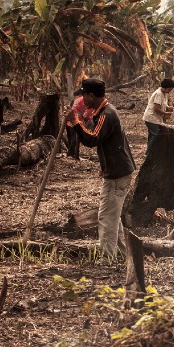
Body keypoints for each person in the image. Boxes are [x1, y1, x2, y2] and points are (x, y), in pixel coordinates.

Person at [66, 78, 136, 259]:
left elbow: (92, 139)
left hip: (117, 174)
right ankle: (121, 255)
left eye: (83, 95)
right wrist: (104, 164)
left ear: (91, 96)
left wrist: (75, 122)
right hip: (117, 169)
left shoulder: (106, 115)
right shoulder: (105, 111)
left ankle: (107, 258)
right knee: (114, 216)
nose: (82, 99)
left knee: (106, 216)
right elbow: (108, 143)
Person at [142, 78, 174, 153]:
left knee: (153, 135)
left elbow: (163, 104)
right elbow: (156, 109)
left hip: (155, 118)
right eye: (170, 89)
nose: (170, 91)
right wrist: (166, 113)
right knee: (155, 135)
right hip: (151, 118)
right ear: (165, 87)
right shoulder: (159, 94)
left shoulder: (164, 93)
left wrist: (168, 107)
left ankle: (150, 152)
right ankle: (150, 154)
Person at [66, 87, 95, 159]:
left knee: (72, 140)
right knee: (75, 140)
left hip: (68, 121)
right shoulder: (89, 101)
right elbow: (86, 115)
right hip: (75, 121)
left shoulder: (80, 99)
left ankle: (71, 155)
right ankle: (73, 156)